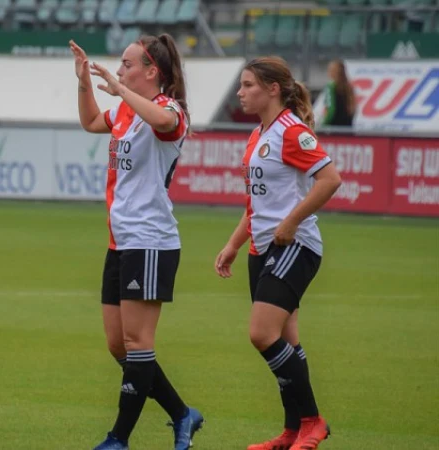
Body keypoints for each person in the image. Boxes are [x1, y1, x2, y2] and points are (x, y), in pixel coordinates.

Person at [70, 35, 203, 450]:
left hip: (150, 240)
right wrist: (83, 83)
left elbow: (163, 123)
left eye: (128, 63)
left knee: (138, 344)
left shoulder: (169, 109)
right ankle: (183, 414)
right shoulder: (128, 109)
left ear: (152, 71)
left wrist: (122, 89)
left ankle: (118, 439)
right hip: (121, 240)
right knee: (119, 346)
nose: (121, 68)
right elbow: (92, 122)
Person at [214, 56, 342, 450]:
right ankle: (291, 432)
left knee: (261, 333)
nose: (240, 92)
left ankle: (313, 421)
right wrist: (234, 244)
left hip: (294, 245)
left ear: (272, 89)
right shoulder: (258, 135)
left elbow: (330, 180)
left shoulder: (291, 131)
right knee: (286, 340)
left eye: (248, 84)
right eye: (241, 84)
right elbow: (256, 204)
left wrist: (290, 223)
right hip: (261, 248)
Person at [320, 59, 355, 127]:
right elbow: (352, 110)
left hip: (333, 129)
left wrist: (323, 125)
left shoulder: (330, 87)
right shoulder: (349, 87)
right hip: (347, 129)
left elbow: (330, 110)